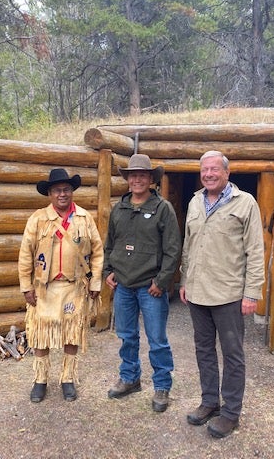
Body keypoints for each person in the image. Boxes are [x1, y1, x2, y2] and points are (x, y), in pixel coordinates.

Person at [179, 150, 265, 438]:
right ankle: (209, 402)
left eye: (215, 169)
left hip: (228, 294)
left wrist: (251, 293)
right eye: (204, 170)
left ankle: (230, 413)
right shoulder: (194, 201)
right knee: (203, 350)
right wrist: (184, 280)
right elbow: (188, 245)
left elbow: (255, 251)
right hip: (197, 292)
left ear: (227, 173)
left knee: (233, 354)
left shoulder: (245, 203)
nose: (209, 174)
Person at [103, 154, 182, 413]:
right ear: (127, 180)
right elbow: (110, 244)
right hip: (123, 285)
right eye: (132, 175)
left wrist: (161, 281)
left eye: (142, 175)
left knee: (157, 339)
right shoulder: (119, 208)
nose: (137, 179)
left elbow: (173, 250)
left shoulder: (162, 209)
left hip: (151, 288)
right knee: (127, 336)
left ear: (151, 179)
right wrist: (109, 270)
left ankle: (161, 386)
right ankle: (130, 378)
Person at [18, 168, 104, 403]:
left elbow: (97, 252)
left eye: (66, 190)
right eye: (57, 190)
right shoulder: (38, 219)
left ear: (72, 192)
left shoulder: (85, 219)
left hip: (74, 288)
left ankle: (67, 379)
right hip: (43, 289)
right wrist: (26, 286)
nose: (62, 194)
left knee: (71, 334)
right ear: (50, 194)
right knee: (40, 336)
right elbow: (26, 254)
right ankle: (40, 380)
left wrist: (95, 281)